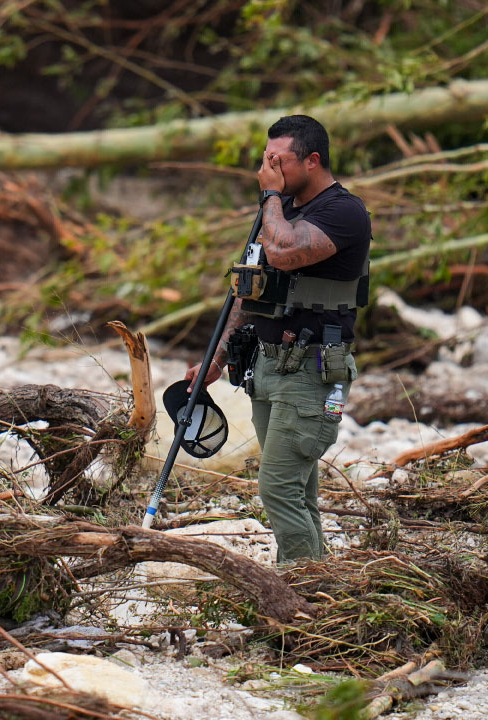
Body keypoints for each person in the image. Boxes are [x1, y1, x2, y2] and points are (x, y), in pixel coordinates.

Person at [185, 114, 372, 563]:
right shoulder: (280, 212)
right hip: (269, 366)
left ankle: (298, 588)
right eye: (264, 160)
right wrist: (220, 355)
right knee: (298, 489)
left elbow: (285, 254)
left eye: (277, 161)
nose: (267, 171)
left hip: (313, 372)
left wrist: (270, 196)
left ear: (311, 160)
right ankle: (319, 586)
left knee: (278, 486)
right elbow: (248, 290)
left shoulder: (343, 212)